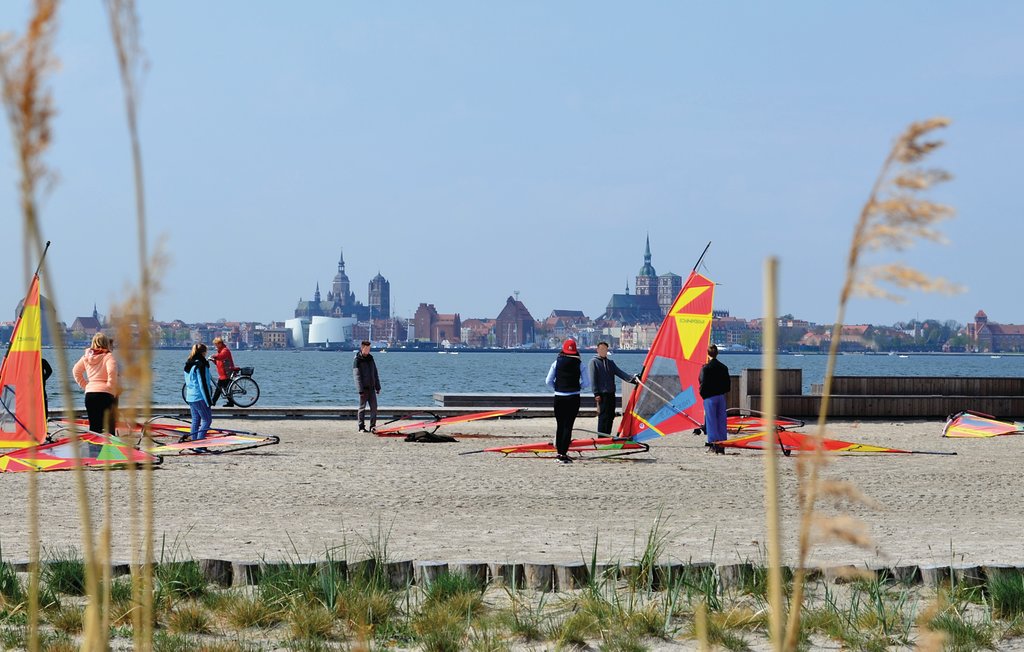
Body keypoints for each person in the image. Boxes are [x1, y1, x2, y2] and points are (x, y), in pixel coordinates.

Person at [545, 338, 591, 464]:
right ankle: (563, 454)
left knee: (560, 425)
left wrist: (557, 387)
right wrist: (578, 387)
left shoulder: (556, 363)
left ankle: (558, 453)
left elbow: (548, 381)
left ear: (563, 350)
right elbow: (587, 383)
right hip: (573, 397)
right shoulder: (580, 364)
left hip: (559, 397)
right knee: (568, 426)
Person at [588, 341, 639, 435]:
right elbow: (593, 379)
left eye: (605, 349)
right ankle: (601, 437)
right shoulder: (593, 362)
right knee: (603, 416)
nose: (603, 351)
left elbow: (620, 373)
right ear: (597, 350)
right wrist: (596, 393)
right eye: (601, 349)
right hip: (602, 394)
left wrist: (633, 380)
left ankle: (607, 435)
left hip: (611, 393)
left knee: (611, 415)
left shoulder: (610, 363)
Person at [72, 333, 119, 434]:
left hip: (90, 394)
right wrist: (110, 387)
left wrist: (85, 385)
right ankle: (110, 448)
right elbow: (112, 371)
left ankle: (94, 448)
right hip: (105, 394)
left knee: (93, 428)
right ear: (106, 343)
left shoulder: (86, 357)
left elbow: (76, 371)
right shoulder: (108, 356)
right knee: (108, 428)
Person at [699, 344, 731, 454]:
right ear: (717, 353)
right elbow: (728, 385)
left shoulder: (706, 368)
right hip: (720, 397)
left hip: (709, 398)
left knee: (711, 421)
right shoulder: (723, 367)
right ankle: (722, 444)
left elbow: (702, 382)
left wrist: (703, 394)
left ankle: (713, 444)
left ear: (708, 354)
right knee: (721, 420)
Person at [183, 343, 214, 452]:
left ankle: (193, 443)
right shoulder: (201, 364)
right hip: (199, 396)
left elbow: (187, 381)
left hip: (190, 396)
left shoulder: (189, 363)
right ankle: (199, 444)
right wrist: (209, 400)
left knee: (196, 420)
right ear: (203, 352)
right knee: (207, 420)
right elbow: (203, 383)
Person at [353, 340, 381, 433]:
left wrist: (378, 386)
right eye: (366, 348)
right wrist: (360, 390)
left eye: (369, 349)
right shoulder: (357, 360)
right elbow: (357, 377)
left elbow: (375, 373)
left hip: (372, 388)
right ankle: (361, 427)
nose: (368, 350)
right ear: (362, 348)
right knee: (362, 408)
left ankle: (372, 426)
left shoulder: (371, 359)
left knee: (374, 408)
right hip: (363, 389)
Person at [209, 337, 237, 407]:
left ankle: (213, 401)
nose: (215, 346)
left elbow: (221, 357)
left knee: (220, 388)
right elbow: (219, 362)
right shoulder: (220, 351)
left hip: (227, 373)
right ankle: (230, 402)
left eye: (216, 344)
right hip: (223, 373)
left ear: (220, 344)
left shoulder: (225, 350)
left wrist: (213, 356)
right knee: (223, 388)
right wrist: (213, 360)